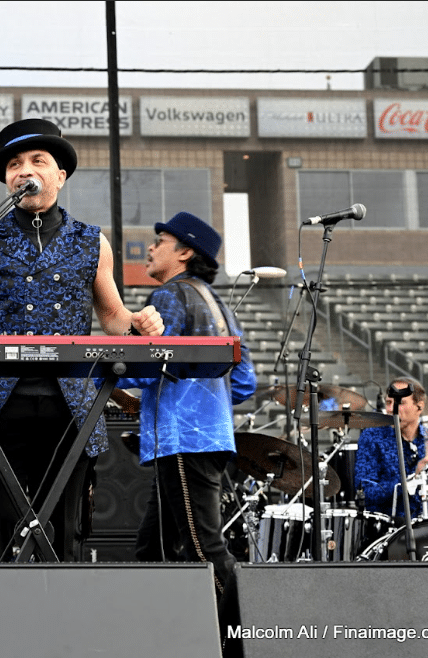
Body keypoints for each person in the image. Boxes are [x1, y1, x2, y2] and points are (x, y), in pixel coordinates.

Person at [0, 118, 164, 562]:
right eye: (14, 164)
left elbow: (112, 318)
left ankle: (58, 624)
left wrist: (141, 321)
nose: (24, 170)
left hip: (73, 406)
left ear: (60, 175)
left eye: (37, 160)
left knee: (65, 528)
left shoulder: (91, 241)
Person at [115, 212, 255, 603]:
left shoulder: (169, 296)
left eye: (161, 240)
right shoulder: (219, 306)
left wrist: (99, 375)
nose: (152, 247)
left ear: (185, 251)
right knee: (153, 550)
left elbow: (149, 365)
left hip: (183, 441)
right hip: (212, 439)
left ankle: (242, 637)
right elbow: (244, 383)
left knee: (204, 550)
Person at [355, 377, 428, 519]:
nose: (390, 409)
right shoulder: (371, 437)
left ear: (419, 406)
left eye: (400, 402)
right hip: (388, 530)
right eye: (389, 402)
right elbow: (364, 492)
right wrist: (410, 481)